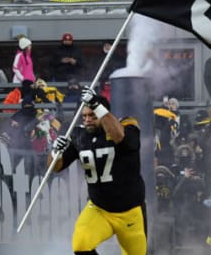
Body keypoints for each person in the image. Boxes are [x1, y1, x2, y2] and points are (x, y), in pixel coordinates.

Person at [50, 86, 146, 254]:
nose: (87, 120)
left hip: (130, 211)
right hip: (99, 208)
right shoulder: (80, 135)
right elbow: (56, 167)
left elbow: (120, 138)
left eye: (92, 115)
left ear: (103, 113)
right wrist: (55, 152)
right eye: (84, 116)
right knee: (80, 245)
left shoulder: (126, 126)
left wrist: (96, 104)